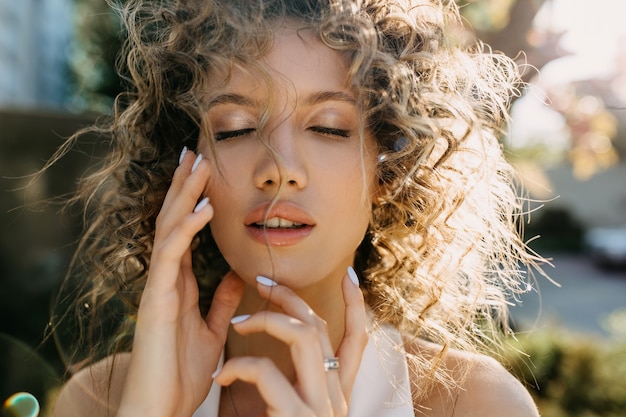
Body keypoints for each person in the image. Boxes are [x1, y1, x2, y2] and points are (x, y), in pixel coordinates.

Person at [50, 0, 543, 416]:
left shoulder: (476, 404)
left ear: (388, 171)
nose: (279, 167)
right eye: (236, 128)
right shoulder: (97, 402)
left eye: (329, 126)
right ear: (186, 168)